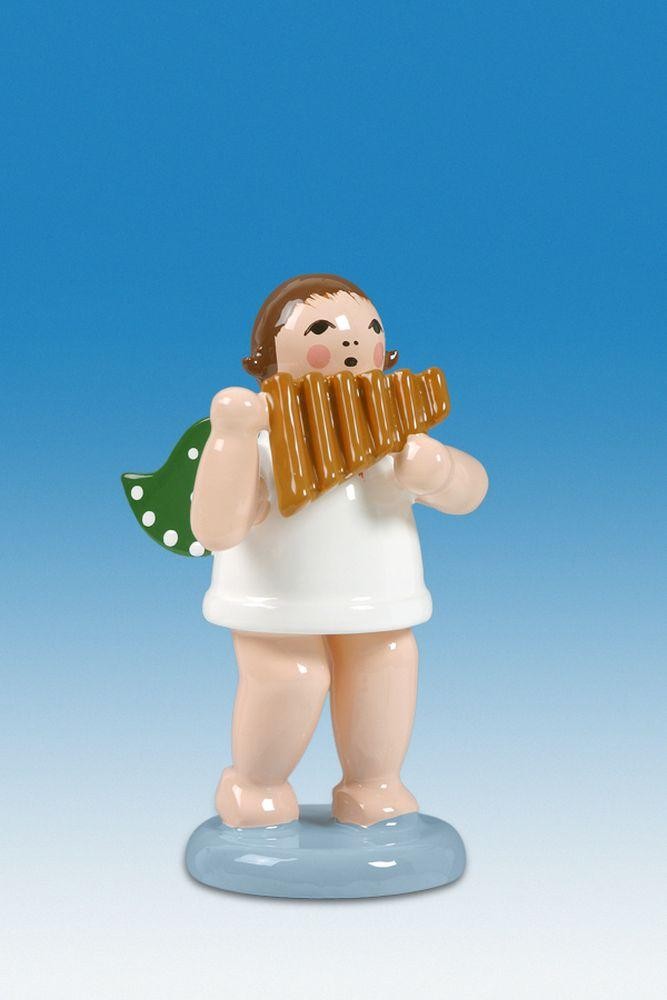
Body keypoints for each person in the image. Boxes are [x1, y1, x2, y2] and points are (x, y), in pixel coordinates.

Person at [190, 274, 488, 828]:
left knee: (388, 664)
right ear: (268, 360)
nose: (353, 341)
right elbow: (216, 529)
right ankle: (254, 786)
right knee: (291, 678)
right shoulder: (262, 437)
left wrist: (442, 472)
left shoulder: (391, 430)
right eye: (322, 330)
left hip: (376, 598)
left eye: (370, 329)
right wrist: (231, 437)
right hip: (278, 601)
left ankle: (373, 786)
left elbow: (471, 493)